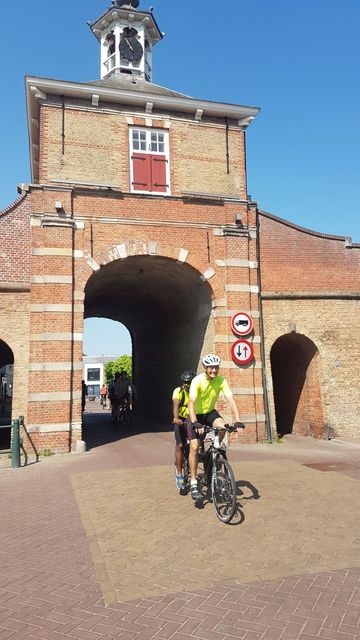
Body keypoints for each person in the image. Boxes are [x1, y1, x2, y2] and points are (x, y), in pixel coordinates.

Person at [187, 354, 244, 501]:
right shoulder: (197, 381)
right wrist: (195, 422)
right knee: (194, 446)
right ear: (205, 368)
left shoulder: (221, 380)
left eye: (216, 367)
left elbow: (231, 400)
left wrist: (237, 421)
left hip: (210, 413)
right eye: (211, 367)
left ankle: (217, 450)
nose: (214, 370)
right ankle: (193, 482)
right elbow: (191, 403)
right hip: (195, 415)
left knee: (223, 426)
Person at [171, 370, 196, 490]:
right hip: (181, 421)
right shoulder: (178, 391)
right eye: (185, 382)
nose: (187, 384)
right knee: (180, 445)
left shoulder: (196, 391)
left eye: (189, 382)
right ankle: (180, 474)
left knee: (196, 445)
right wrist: (176, 418)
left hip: (192, 420)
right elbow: (175, 406)